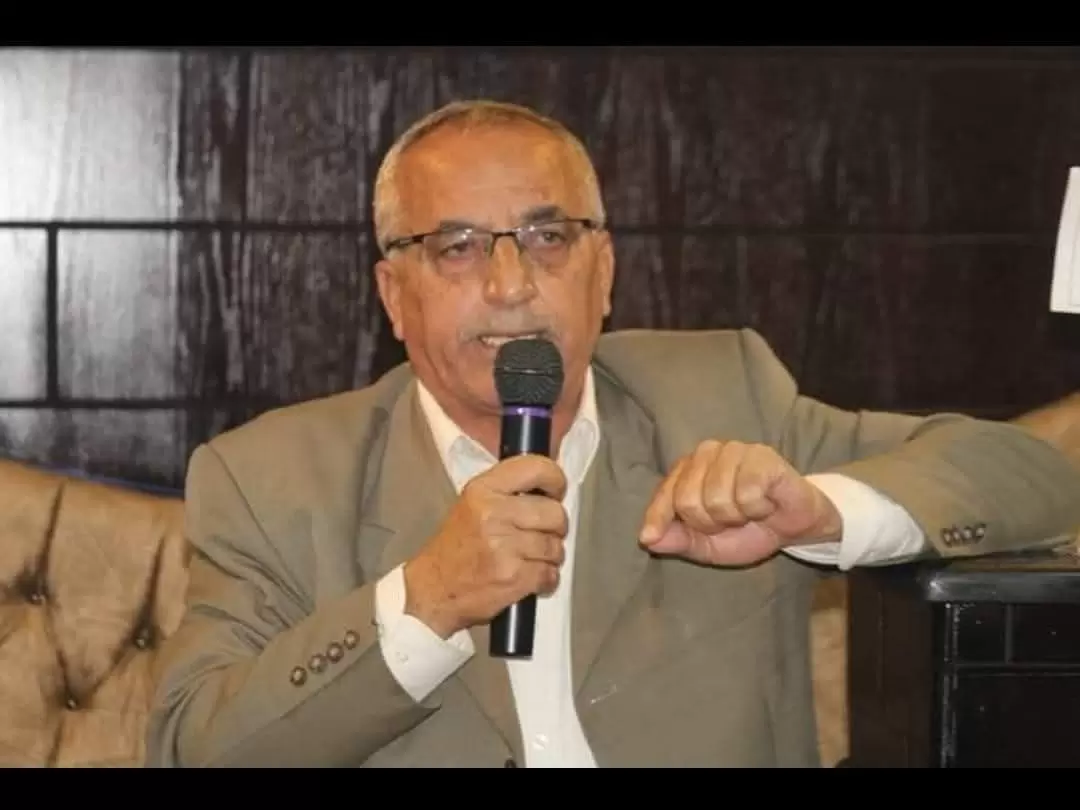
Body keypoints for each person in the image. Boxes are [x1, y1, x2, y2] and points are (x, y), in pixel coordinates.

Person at [145, 99, 1080, 768]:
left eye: (548, 238)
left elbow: (1035, 477)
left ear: (604, 271)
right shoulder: (271, 477)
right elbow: (194, 746)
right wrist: (424, 602)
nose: (511, 285)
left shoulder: (725, 396)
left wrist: (817, 512)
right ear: (395, 294)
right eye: (457, 247)